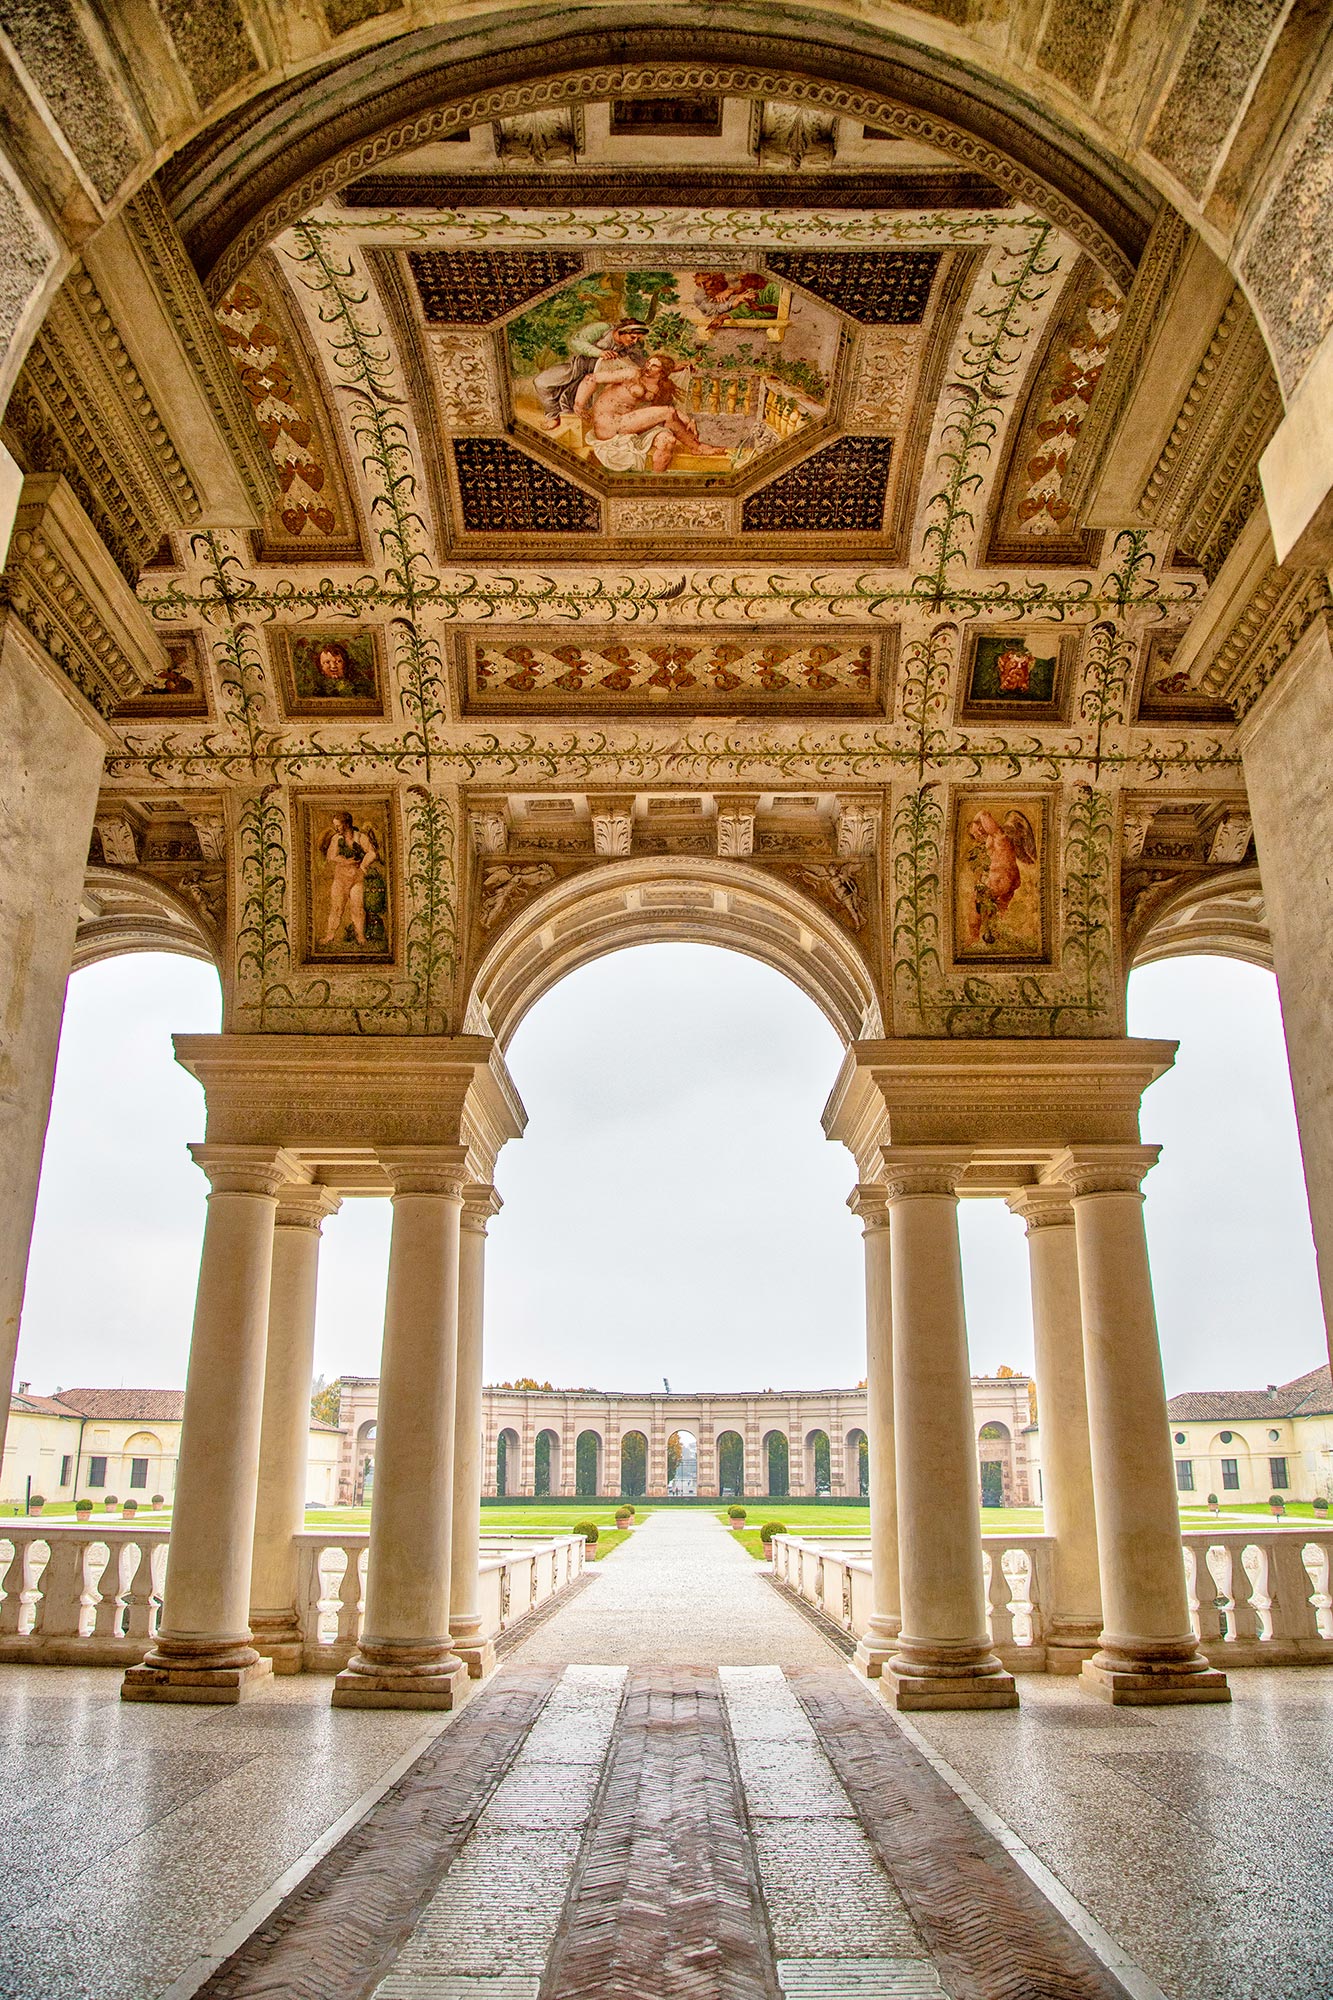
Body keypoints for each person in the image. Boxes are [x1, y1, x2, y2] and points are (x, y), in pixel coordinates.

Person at [584, 351, 729, 473]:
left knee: (668, 440)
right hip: (611, 425)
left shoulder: (660, 387)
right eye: (648, 363)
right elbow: (591, 378)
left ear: (662, 372)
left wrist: (688, 421)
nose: (648, 367)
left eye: (654, 366)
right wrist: (579, 405)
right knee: (667, 412)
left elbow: (668, 412)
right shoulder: (632, 375)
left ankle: (656, 481)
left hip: (631, 425)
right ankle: (697, 448)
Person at [533, 317, 648, 430]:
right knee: (541, 382)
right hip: (578, 367)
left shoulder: (631, 346)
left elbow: (641, 361)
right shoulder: (603, 328)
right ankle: (553, 415)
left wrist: (650, 370)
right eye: (633, 337)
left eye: (638, 339)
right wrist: (599, 352)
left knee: (580, 406)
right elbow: (576, 341)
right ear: (622, 331)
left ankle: (565, 420)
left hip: (596, 377)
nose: (634, 341)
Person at [966, 808, 1037, 944]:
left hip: (1001, 878)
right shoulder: (1002, 839)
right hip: (1013, 879)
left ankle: (973, 937)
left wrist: (975, 823)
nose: (979, 832)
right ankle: (994, 935)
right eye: (975, 835)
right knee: (999, 910)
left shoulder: (998, 834)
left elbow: (983, 813)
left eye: (977, 829)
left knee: (975, 901)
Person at [319, 809, 379, 946]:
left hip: (357, 879)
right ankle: (329, 936)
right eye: (335, 825)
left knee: (358, 908)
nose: (336, 828)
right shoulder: (336, 839)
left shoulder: (360, 837)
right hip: (341, 879)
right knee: (336, 908)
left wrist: (363, 864)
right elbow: (331, 857)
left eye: (338, 825)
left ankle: (361, 937)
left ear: (346, 824)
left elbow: (372, 853)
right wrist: (346, 861)